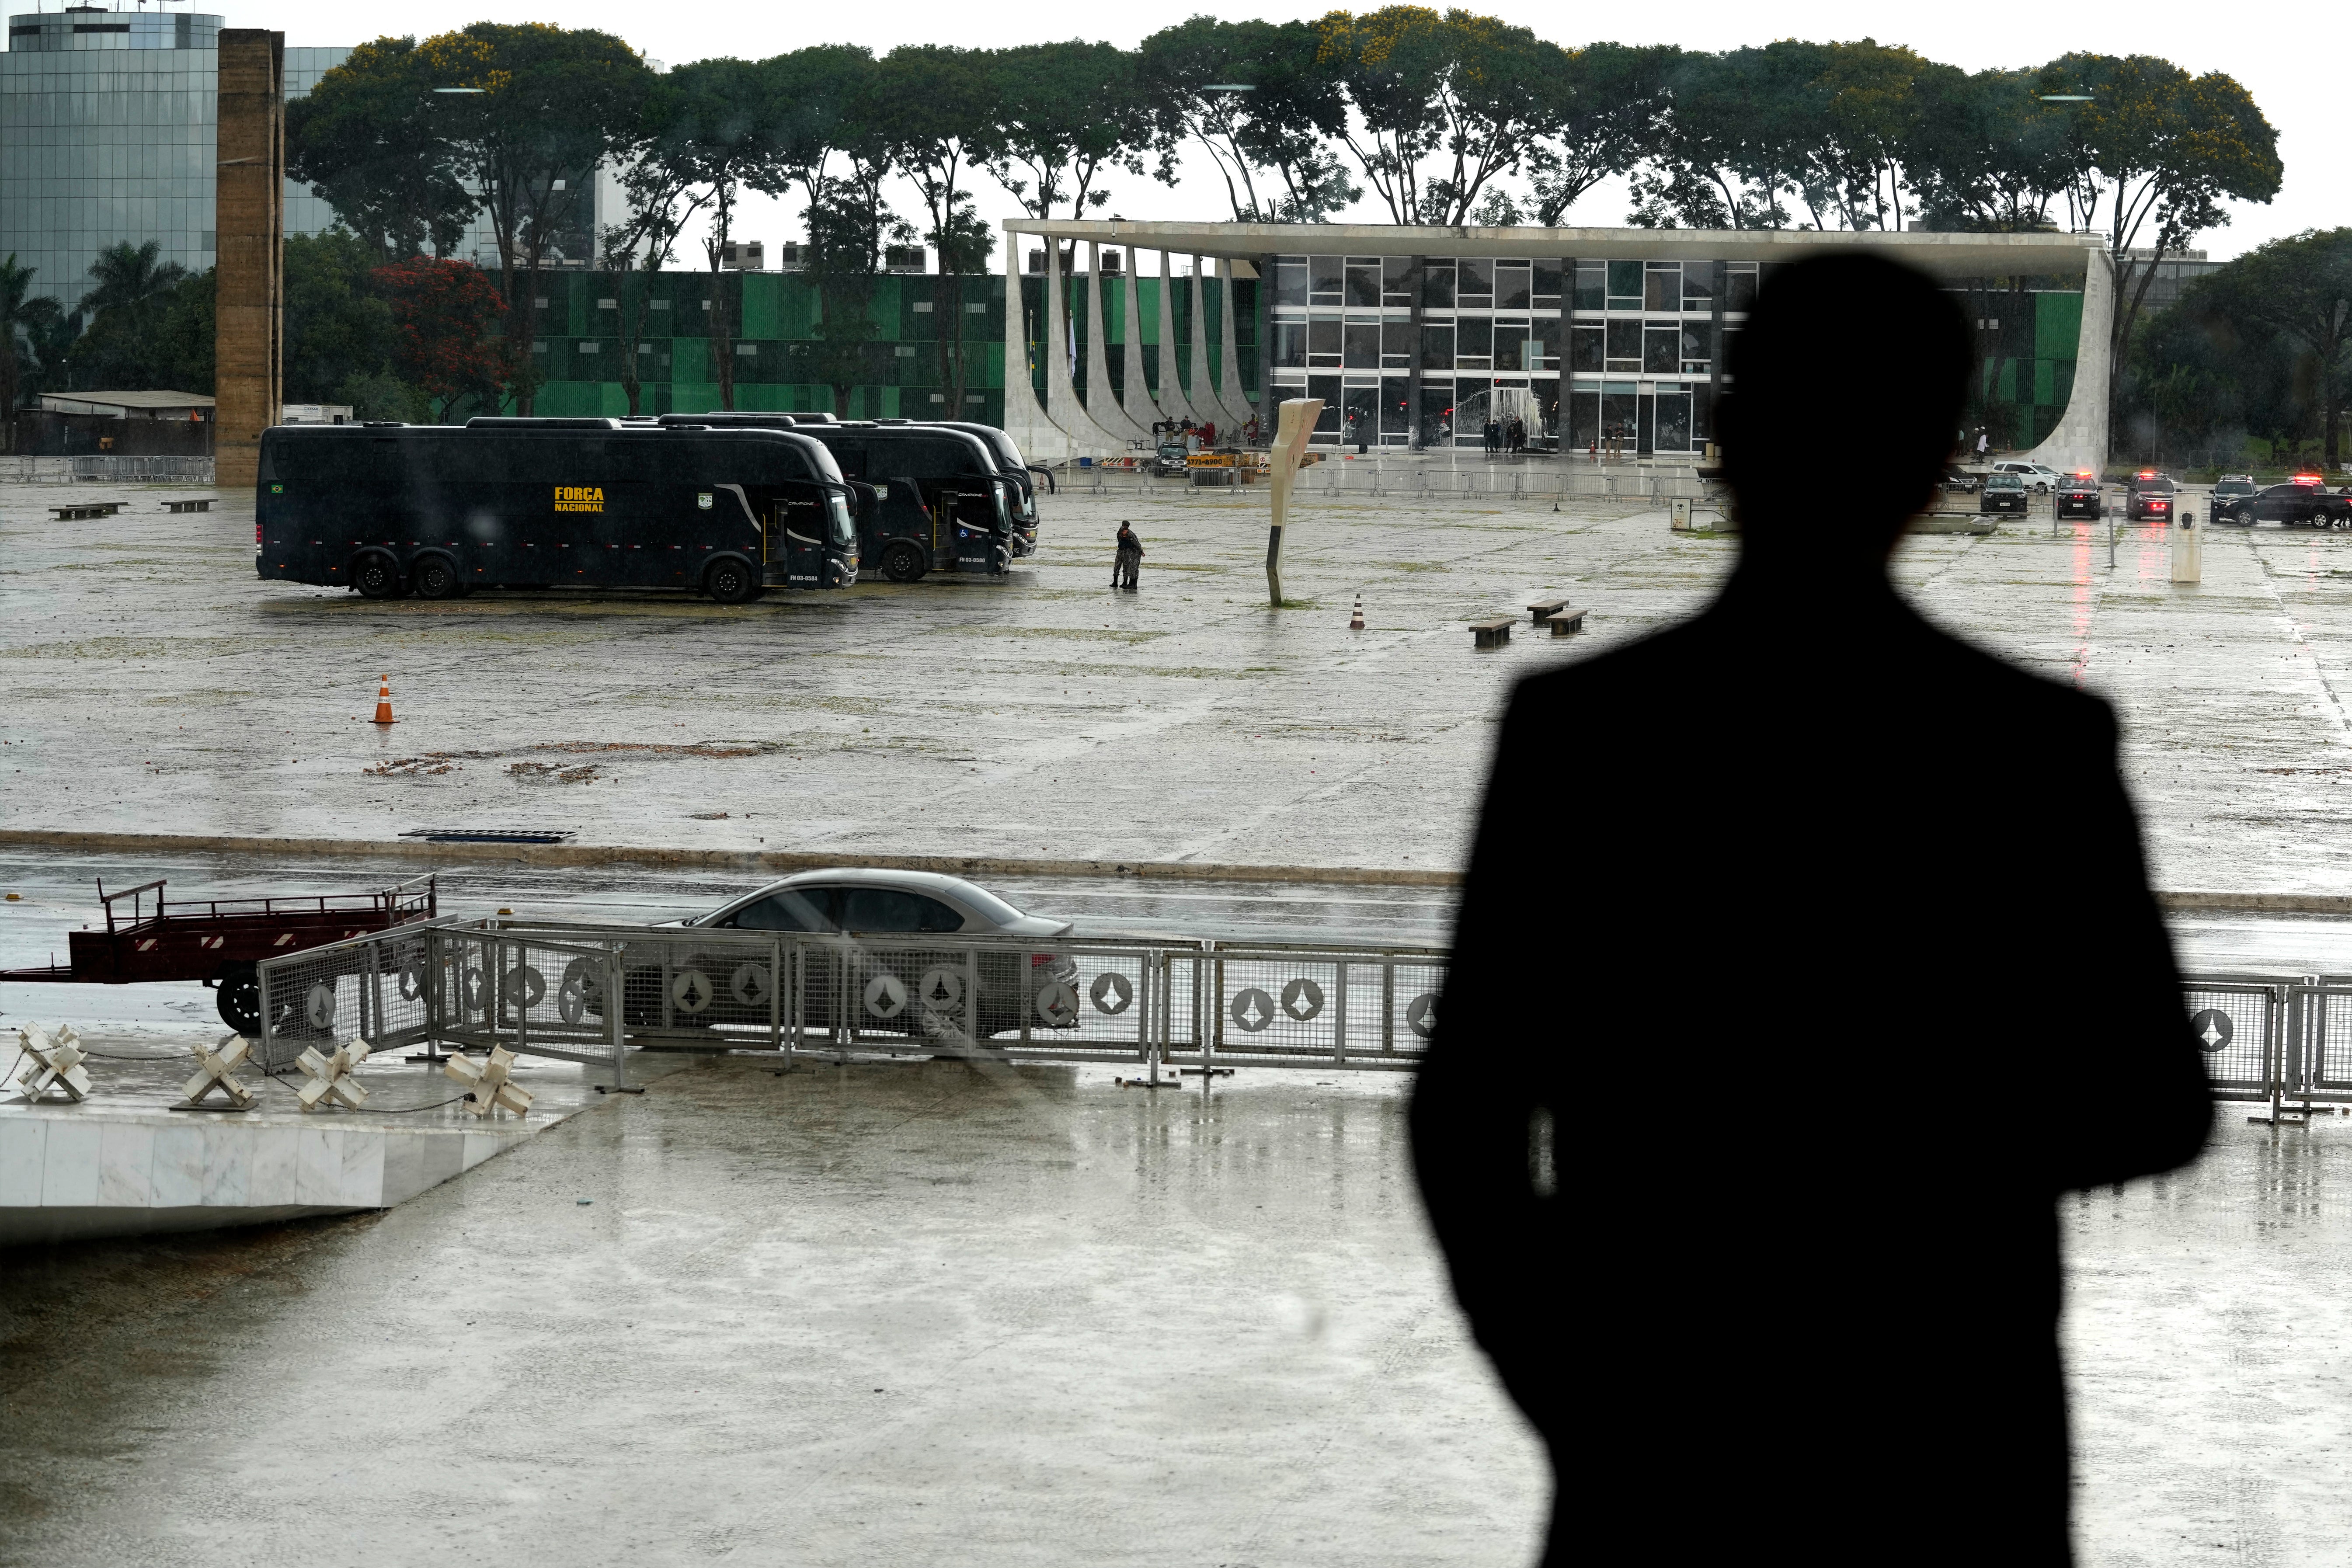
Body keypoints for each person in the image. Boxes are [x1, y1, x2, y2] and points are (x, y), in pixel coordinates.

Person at [1410, 253, 2211, 1568]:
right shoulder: (2030, 747)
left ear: (1730, 434)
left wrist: (1568, 1385)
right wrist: (1914, 1164)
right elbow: (2157, 1106)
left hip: (1657, 1437)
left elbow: (1465, 1115)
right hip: (1952, 1442)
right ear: (1929, 463)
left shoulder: (1581, 736)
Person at [1112, 521, 1143, 591]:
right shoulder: (1120, 533)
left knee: (1130, 568)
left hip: (1130, 552)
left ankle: (1131, 584)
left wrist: (1141, 551)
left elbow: (1136, 543)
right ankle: (1117, 582)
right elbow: (1119, 539)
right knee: (1117, 566)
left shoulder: (1131, 534)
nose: (1123, 532)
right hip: (1121, 551)